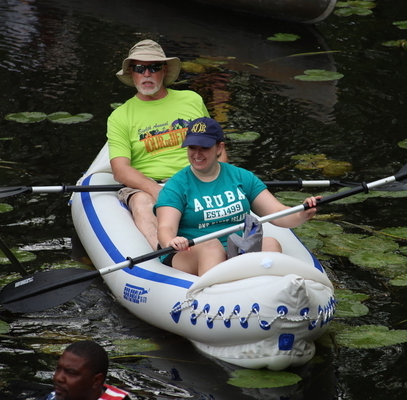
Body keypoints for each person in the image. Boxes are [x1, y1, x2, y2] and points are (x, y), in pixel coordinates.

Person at [155, 117, 321, 276]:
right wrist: (172, 241)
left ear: (219, 148)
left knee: (271, 243)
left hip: (236, 248)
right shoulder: (176, 185)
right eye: (192, 147)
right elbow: (166, 228)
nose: (197, 154)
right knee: (211, 247)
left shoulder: (241, 177)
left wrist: (302, 213)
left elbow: (278, 212)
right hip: (191, 252)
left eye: (204, 148)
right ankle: (214, 295)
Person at [108, 39, 227, 250]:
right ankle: (165, 255)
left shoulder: (192, 99)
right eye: (139, 68)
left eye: (153, 67)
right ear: (131, 73)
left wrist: (218, 178)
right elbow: (120, 169)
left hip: (196, 176)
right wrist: (156, 190)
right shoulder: (120, 116)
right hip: (150, 184)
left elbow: (217, 146)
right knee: (142, 201)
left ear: (164, 71)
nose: (147, 74)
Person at [46, 340, 130, 400]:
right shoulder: (54, 396)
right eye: (58, 369)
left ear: (96, 380)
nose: (58, 378)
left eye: (71, 373)